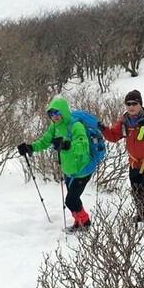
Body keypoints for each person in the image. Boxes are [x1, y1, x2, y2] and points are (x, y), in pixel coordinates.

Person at [18, 97, 93, 233]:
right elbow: (45, 141)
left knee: (71, 200)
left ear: (63, 112)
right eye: (51, 114)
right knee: (72, 198)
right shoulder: (54, 127)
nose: (54, 116)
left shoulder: (75, 125)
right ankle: (79, 222)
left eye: (57, 113)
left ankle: (85, 222)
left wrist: (66, 145)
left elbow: (83, 146)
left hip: (83, 168)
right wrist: (30, 147)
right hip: (68, 168)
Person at [100, 90, 144, 223]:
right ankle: (142, 215)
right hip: (134, 162)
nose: (131, 107)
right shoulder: (124, 120)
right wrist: (103, 129)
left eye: (134, 103)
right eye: (128, 104)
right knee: (136, 191)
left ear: (140, 104)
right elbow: (114, 136)